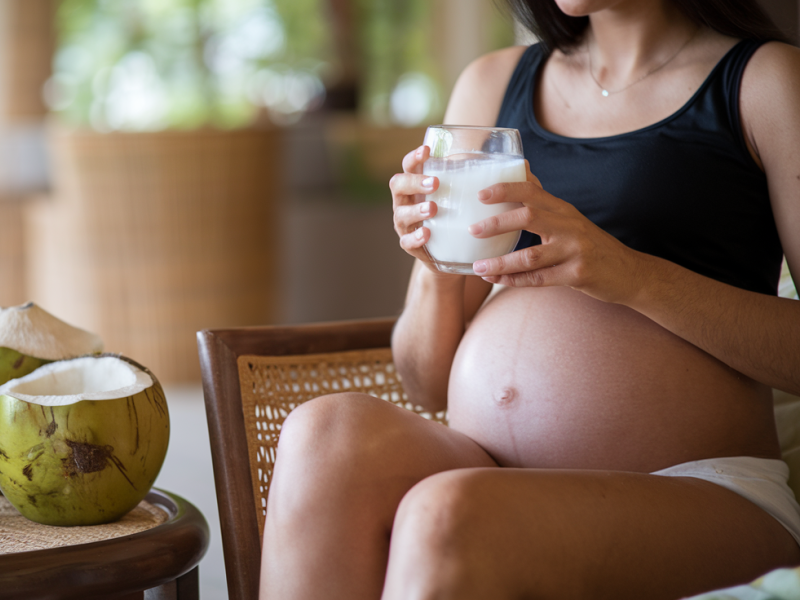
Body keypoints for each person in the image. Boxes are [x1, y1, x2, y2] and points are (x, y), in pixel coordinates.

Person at [258, 0, 800, 598]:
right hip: (485, 465)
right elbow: (424, 385)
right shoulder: (491, 84)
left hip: (703, 488)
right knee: (324, 437)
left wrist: (631, 275)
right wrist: (436, 262)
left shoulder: (764, 81)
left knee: (449, 514)